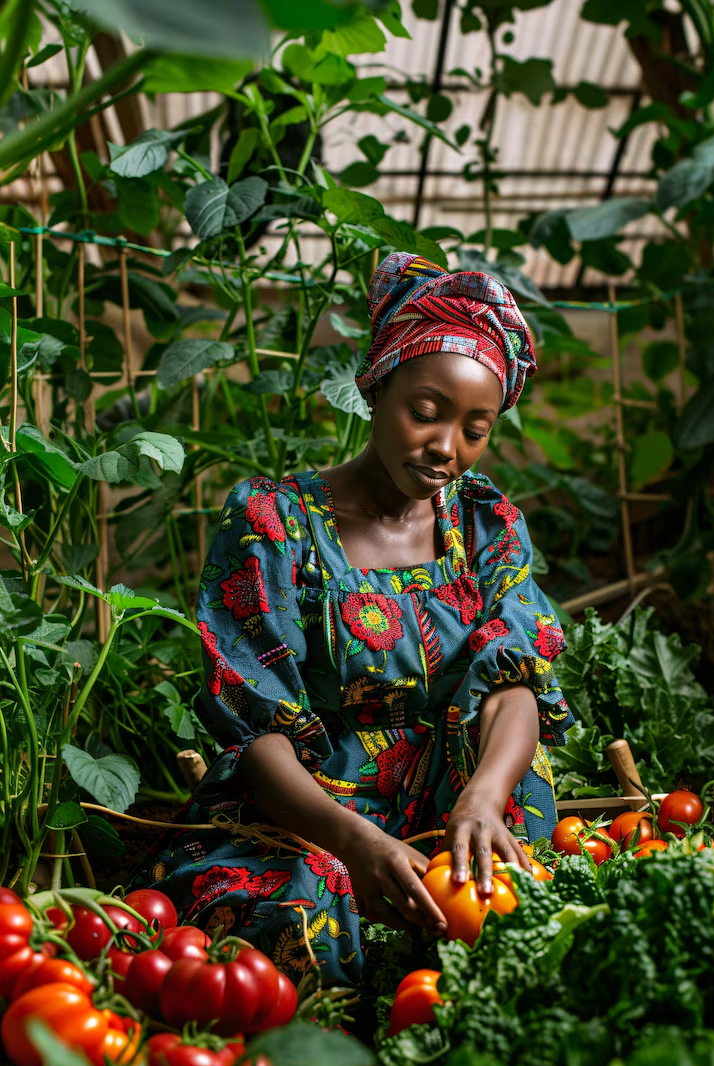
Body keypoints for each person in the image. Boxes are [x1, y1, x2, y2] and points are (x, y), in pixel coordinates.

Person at [140, 252, 574, 987]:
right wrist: (355, 844)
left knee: (510, 851)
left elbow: (515, 683)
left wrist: (481, 798)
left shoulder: (486, 525)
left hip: (449, 790)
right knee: (292, 916)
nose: (446, 448)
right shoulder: (273, 523)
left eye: (475, 429)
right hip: (309, 811)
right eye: (425, 413)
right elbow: (258, 732)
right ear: (375, 387)